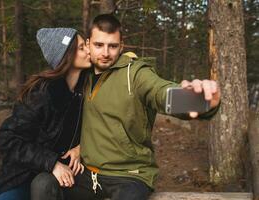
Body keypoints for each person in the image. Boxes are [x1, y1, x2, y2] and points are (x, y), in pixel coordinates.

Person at [33, 14, 221, 200]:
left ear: (121, 46)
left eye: (112, 46)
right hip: (88, 174)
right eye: (99, 45)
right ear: (88, 44)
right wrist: (80, 147)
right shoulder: (83, 75)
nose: (105, 53)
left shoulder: (137, 74)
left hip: (129, 175)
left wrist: (202, 101)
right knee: (43, 184)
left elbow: (160, 92)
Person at [0, 28, 91, 200]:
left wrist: (81, 148)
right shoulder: (42, 93)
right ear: (67, 56)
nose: (88, 50)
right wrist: (52, 163)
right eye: (81, 48)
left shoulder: (85, 91)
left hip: (57, 181)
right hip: (22, 176)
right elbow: (7, 138)